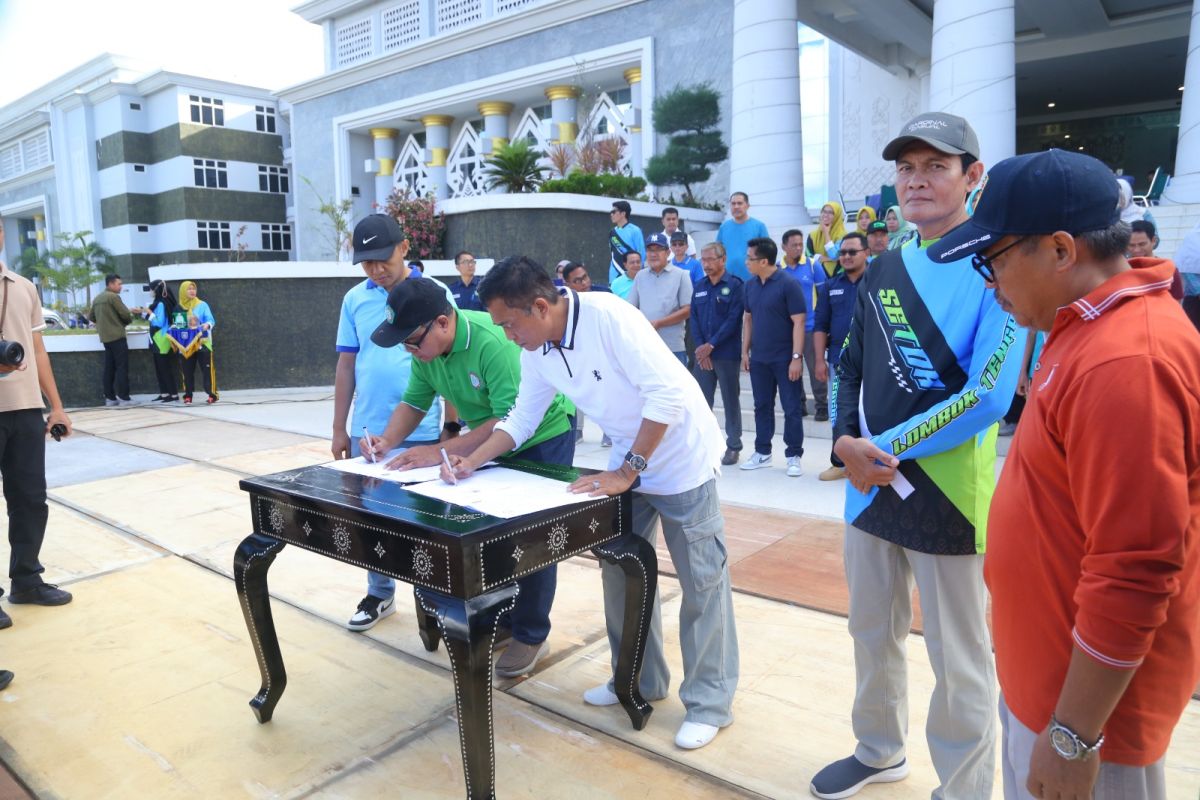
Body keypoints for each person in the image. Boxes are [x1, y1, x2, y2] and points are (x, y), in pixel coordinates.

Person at [929, 147, 1200, 800]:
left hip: (1086, 724)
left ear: (1058, 250)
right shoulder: (1081, 325)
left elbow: (1134, 570)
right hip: (1049, 688)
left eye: (991, 259)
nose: (988, 281)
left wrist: (1074, 735)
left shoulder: (1126, 362)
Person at [445, 256, 739, 751]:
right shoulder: (536, 350)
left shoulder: (610, 317)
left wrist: (628, 471)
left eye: (509, 324)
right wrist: (473, 460)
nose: (506, 334)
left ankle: (710, 702)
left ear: (540, 306)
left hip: (681, 459)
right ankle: (639, 681)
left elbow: (666, 397)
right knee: (621, 576)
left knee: (702, 582)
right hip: (627, 463)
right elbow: (521, 418)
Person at [810, 112, 1021, 800]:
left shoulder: (1000, 263)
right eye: (907, 168)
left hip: (949, 498)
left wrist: (881, 451)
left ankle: (964, 788)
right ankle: (878, 750)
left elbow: (991, 395)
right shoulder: (890, 261)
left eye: (936, 166)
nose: (918, 180)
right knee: (871, 629)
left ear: (973, 176)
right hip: (866, 487)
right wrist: (844, 443)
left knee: (958, 658)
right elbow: (849, 361)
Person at [361, 277, 577, 678]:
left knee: (533, 535)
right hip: (489, 437)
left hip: (541, 435)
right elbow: (413, 401)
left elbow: (510, 418)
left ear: (442, 323)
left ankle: (531, 632)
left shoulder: (491, 342)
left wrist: (442, 451)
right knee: (490, 530)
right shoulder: (426, 352)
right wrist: (385, 442)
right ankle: (507, 618)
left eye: (412, 342)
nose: (410, 352)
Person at [333, 213, 451, 632]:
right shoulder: (355, 300)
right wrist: (339, 429)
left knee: (425, 521)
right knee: (372, 517)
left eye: (382, 259)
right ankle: (380, 592)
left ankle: (432, 595)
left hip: (421, 431)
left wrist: (449, 431)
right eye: (367, 263)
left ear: (404, 248)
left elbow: (449, 360)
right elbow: (347, 364)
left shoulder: (435, 293)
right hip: (369, 432)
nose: (376, 270)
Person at [0, 217, 75, 653]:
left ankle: (26, 581)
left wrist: (57, 406)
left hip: (26, 411)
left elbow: (39, 350)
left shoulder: (23, 286)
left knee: (30, 499)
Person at [739, 236, 806, 477]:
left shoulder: (788, 283)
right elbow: (748, 319)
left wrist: (796, 357)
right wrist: (745, 352)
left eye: (750, 258)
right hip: (759, 359)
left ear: (764, 260)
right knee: (762, 406)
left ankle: (793, 455)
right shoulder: (750, 285)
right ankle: (762, 452)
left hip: (785, 359)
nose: (746, 261)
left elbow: (799, 322)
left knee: (791, 408)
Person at [812, 231, 870, 481]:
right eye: (842, 252)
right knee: (840, 412)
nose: (845, 256)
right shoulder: (830, 286)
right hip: (840, 362)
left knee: (871, 412)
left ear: (866, 253)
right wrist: (818, 360)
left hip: (874, 361)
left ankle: (870, 462)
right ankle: (840, 463)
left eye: (852, 252)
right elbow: (820, 325)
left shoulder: (879, 281)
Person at [690, 242, 744, 466]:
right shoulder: (700, 285)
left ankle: (733, 445)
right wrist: (702, 347)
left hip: (726, 353)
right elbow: (693, 317)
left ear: (723, 260)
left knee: (731, 400)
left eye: (711, 259)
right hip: (704, 355)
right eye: (703, 260)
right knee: (701, 401)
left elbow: (734, 319)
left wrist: (711, 345)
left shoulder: (735, 285)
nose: (706, 264)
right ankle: (705, 444)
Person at [779, 228, 827, 420]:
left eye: (800, 244)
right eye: (794, 245)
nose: (798, 248)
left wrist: (824, 326)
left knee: (816, 369)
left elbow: (824, 296)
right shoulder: (777, 269)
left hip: (810, 327)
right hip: (786, 331)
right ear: (784, 247)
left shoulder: (813, 265)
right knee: (792, 369)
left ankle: (822, 405)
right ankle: (799, 404)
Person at [627, 233, 692, 366]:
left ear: (668, 252)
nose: (653, 254)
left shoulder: (681, 275)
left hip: (673, 347)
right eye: (650, 250)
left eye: (658, 250)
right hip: (645, 346)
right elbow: (630, 309)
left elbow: (688, 310)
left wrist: (659, 323)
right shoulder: (640, 276)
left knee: (676, 386)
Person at [90, 273, 135, 406]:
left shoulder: (98, 298)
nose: (121, 286)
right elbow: (126, 314)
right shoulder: (113, 297)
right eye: (119, 284)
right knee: (122, 367)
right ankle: (124, 398)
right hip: (117, 336)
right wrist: (124, 320)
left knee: (109, 367)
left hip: (105, 338)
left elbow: (91, 316)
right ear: (110, 284)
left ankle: (110, 398)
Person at [176, 280, 217, 404]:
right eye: (189, 289)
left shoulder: (202, 305)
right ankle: (188, 395)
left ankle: (212, 394)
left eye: (193, 288)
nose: (192, 291)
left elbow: (211, 320)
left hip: (202, 343)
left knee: (207, 370)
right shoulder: (179, 307)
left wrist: (207, 325)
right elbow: (178, 326)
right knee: (187, 371)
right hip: (186, 345)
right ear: (183, 291)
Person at [715, 192, 770, 282]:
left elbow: (767, 253)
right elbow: (718, 253)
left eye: (739, 203)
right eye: (733, 204)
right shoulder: (724, 227)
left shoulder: (759, 226)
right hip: (728, 280)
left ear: (747, 206)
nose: (736, 206)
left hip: (754, 280)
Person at [144, 280, 180, 402]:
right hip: (159, 339)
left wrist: (149, 312)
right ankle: (164, 394)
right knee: (161, 368)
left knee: (164, 368)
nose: (150, 291)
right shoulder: (162, 302)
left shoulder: (160, 303)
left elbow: (158, 322)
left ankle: (173, 394)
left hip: (161, 339)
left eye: (151, 289)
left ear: (156, 290)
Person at [807, 201, 848, 277]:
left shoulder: (843, 236)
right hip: (816, 276)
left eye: (830, 213)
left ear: (836, 216)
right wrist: (823, 258)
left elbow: (834, 255)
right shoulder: (812, 235)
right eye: (824, 211)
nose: (826, 215)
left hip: (837, 277)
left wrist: (826, 233)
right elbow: (808, 257)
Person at [608, 200, 645, 283]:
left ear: (623, 213)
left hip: (631, 275)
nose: (611, 214)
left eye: (614, 212)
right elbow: (613, 253)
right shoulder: (612, 232)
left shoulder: (635, 230)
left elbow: (641, 254)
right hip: (614, 274)